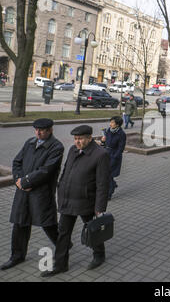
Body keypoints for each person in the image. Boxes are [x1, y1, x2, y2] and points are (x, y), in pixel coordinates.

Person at [41, 125, 110, 277]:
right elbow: (66, 170)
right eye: (75, 139)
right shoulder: (72, 150)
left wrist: (99, 207)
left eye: (80, 139)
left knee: (93, 229)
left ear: (89, 138)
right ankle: (60, 265)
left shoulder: (100, 155)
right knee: (63, 234)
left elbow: (103, 184)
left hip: (86, 202)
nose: (77, 142)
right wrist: (61, 187)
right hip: (68, 200)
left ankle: (99, 255)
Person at [1, 119, 64, 271]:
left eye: (41, 130)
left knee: (48, 224)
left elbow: (46, 171)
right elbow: (17, 162)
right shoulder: (30, 142)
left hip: (41, 193)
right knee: (20, 222)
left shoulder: (56, 147)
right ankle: (17, 256)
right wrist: (18, 180)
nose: (37, 132)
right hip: (23, 192)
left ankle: (64, 245)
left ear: (50, 130)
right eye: (36, 129)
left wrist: (27, 182)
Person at [101, 116, 126, 200]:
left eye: (112, 122)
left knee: (108, 175)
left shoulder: (121, 134)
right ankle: (113, 184)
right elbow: (104, 144)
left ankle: (109, 194)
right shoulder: (108, 130)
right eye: (110, 122)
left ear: (117, 124)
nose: (110, 124)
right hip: (106, 154)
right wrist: (103, 141)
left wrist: (115, 157)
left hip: (114, 156)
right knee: (106, 174)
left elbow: (121, 148)